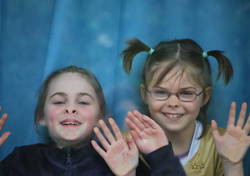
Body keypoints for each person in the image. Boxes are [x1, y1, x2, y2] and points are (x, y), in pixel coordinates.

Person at [0, 65, 186, 176]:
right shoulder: (21, 161)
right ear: (41, 116)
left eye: (83, 102)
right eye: (58, 101)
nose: (70, 108)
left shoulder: (125, 160)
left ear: (100, 118)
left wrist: (159, 157)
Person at [122, 38, 250, 176]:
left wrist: (233, 164)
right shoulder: (125, 146)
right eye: (161, 92)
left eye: (186, 93)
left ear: (205, 97)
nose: (173, 103)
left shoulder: (222, 143)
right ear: (144, 94)